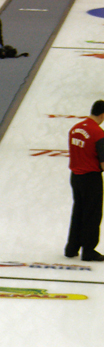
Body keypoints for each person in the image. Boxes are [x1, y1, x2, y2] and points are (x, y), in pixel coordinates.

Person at [65, 100, 104, 262]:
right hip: (91, 178)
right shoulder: (98, 133)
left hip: (76, 176)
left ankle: (72, 247)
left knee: (79, 211)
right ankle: (88, 250)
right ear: (102, 115)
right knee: (92, 214)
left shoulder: (75, 129)